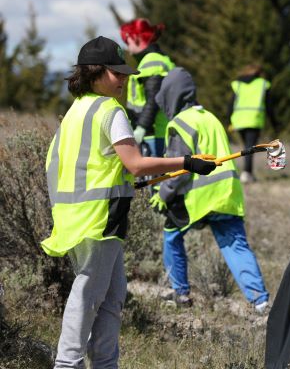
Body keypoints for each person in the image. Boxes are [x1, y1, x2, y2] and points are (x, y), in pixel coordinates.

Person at [41, 36, 217, 368]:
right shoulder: (110, 110)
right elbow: (134, 162)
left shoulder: (76, 111)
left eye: (124, 72)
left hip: (77, 218)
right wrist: (186, 162)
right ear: (94, 72)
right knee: (90, 295)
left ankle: (105, 363)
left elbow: (68, 165)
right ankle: (67, 364)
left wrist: (120, 183)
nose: (123, 79)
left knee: (112, 294)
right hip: (99, 219)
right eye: (115, 72)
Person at [149, 67, 270, 311]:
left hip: (199, 196)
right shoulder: (210, 117)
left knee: (171, 235)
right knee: (236, 246)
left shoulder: (180, 124)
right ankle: (261, 302)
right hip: (227, 193)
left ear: (171, 96)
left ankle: (180, 292)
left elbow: (179, 169)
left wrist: (163, 194)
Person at [120, 18, 176, 157]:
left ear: (136, 38)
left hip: (155, 134)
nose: (127, 47)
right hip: (156, 132)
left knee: (157, 178)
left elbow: (153, 99)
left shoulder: (152, 61)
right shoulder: (156, 59)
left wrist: (141, 128)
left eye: (128, 41)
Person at [228, 63, 278, 183]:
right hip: (254, 120)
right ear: (259, 73)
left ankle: (246, 173)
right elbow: (269, 106)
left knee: (246, 147)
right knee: (249, 147)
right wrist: (274, 123)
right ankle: (247, 173)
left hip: (238, 120)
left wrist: (229, 120)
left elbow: (230, 104)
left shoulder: (238, 84)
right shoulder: (262, 84)